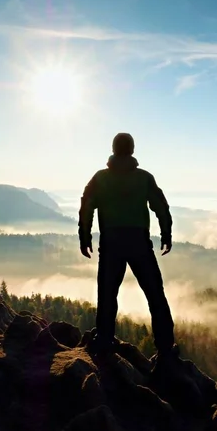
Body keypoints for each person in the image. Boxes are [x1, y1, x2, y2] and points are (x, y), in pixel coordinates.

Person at [78, 133, 178, 361]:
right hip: (139, 243)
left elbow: (86, 207)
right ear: (132, 150)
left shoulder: (100, 178)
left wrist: (84, 237)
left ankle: (104, 340)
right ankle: (165, 347)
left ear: (113, 149)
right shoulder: (144, 178)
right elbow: (161, 207)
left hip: (111, 243)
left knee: (107, 294)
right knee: (155, 295)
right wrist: (166, 234)